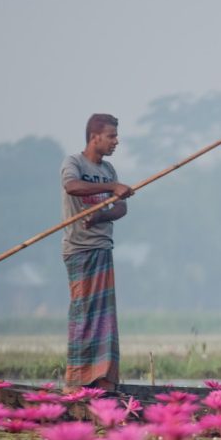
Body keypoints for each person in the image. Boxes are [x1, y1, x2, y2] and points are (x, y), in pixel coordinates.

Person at [61, 113, 135, 393]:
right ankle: (77, 381)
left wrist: (99, 218)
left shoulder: (109, 170)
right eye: (111, 136)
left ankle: (103, 380)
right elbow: (72, 187)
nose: (116, 141)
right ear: (95, 137)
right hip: (79, 250)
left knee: (104, 318)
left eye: (116, 136)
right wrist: (111, 188)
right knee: (83, 314)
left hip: (103, 248)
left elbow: (121, 208)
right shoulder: (74, 163)